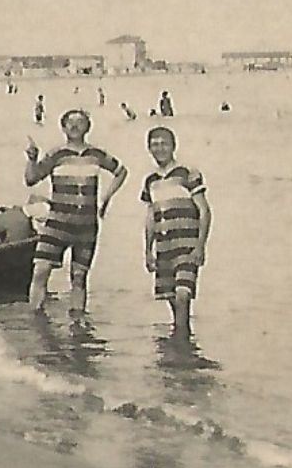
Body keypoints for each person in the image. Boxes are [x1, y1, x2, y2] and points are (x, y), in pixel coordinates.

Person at [25, 109, 128, 313]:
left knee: (79, 276)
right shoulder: (56, 154)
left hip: (87, 225)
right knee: (41, 270)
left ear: (87, 127)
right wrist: (31, 159)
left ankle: (78, 325)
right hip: (57, 223)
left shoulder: (96, 154)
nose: (74, 126)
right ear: (63, 127)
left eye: (79, 122)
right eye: (69, 123)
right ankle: (36, 318)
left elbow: (121, 171)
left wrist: (106, 198)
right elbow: (31, 179)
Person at [142, 126, 211, 339]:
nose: (159, 148)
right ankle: (182, 341)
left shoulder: (188, 173)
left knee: (183, 295)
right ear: (149, 148)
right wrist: (147, 251)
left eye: (164, 143)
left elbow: (204, 210)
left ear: (173, 146)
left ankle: (181, 342)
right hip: (164, 247)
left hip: (186, 245)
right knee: (172, 299)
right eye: (154, 144)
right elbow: (150, 217)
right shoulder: (150, 180)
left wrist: (200, 246)